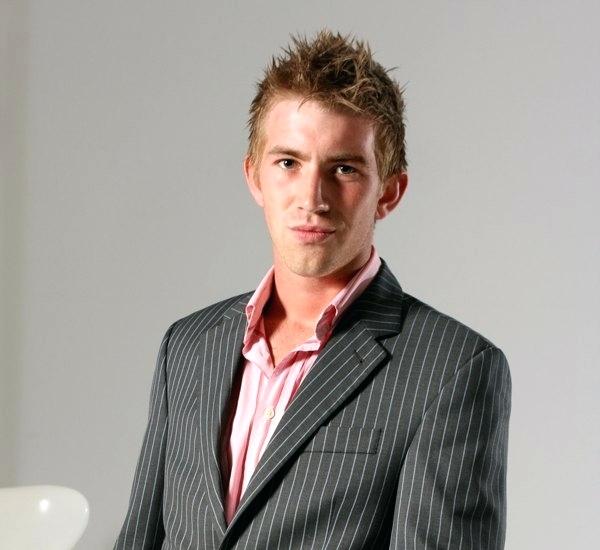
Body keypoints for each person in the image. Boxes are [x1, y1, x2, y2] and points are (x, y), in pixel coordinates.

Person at [114, 29, 511, 550]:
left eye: (344, 168)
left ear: (389, 191)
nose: (312, 198)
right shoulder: (187, 347)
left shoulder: (452, 368)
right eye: (288, 163)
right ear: (254, 176)